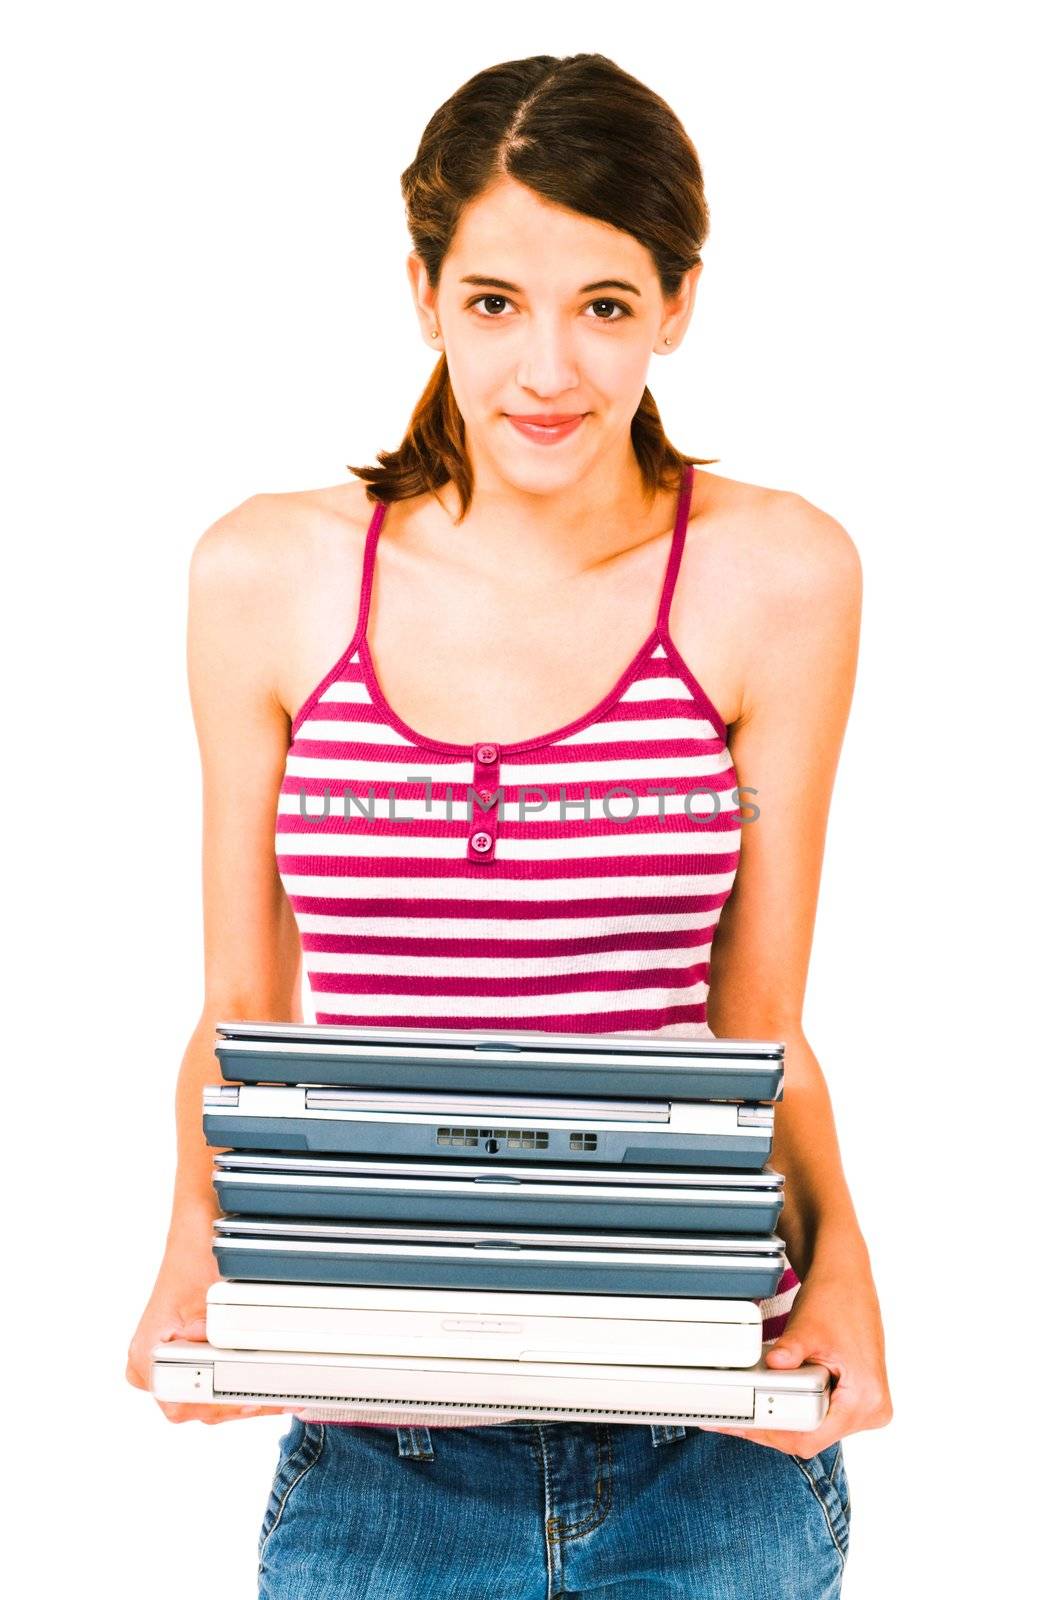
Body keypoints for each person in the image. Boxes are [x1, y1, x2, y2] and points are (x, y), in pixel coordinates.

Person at [125, 50, 892, 1599]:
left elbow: (761, 1032)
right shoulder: (266, 577)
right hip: (378, 1454)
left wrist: (854, 1276)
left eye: (604, 304)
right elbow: (243, 1016)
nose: (547, 367)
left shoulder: (776, 577)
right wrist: (189, 1254)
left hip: (705, 1446)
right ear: (420, 292)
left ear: (678, 302)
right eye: (493, 302)